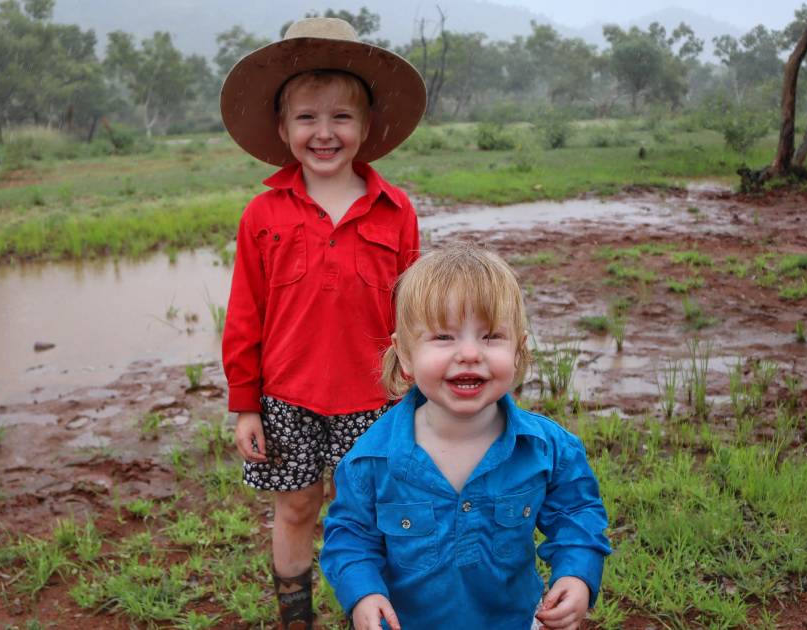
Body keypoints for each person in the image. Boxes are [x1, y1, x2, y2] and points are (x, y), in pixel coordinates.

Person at [218, 16, 427, 629]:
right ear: (283, 129)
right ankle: (296, 617)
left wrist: (420, 390)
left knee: (380, 512)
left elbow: (415, 312)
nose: (324, 132)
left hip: (378, 399)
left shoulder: (396, 211)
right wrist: (245, 403)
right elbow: (245, 314)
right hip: (288, 397)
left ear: (366, 128)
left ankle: (381, 613)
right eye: (307, 117)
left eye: (341, 117)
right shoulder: (263, 213)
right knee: (297, 506)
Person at [321, 244, 612, 630]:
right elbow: (351, 536)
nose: (470, 353)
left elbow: (577, 514)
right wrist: (364, 592)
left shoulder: (546, 449)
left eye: (491, 336)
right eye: (444, 337)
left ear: (519, 350)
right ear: (405, 355)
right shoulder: (372, 459)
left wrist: (576, 575)